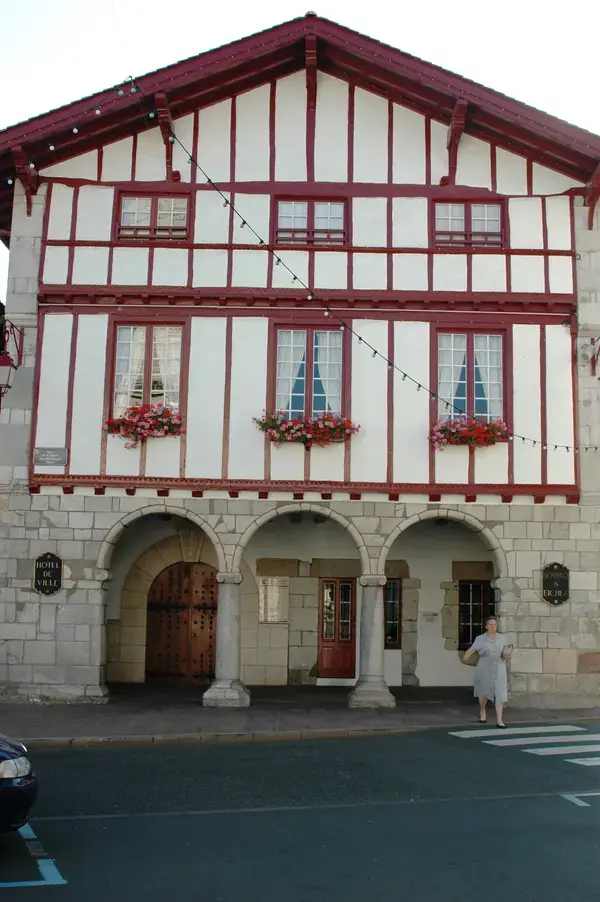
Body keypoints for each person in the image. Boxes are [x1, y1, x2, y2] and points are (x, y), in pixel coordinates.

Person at [462, 615, 513, 727]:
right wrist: (466, 655)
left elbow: (506, 652)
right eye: (490, 624)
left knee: (500, 693)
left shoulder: (501, 638)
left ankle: (499, 720)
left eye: (494, 625)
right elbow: (473, 649)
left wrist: (508, 656)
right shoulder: (480, 638)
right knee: (484, 693)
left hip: (499, 668)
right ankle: (482, 710)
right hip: (484, 667)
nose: (493, 626)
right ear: (486, 626)